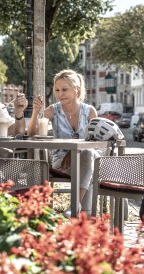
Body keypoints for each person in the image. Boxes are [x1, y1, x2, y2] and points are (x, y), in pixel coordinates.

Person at [27, 69, 99, 216]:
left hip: (86, 159)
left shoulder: (90, 112)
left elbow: (96, 142)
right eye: (57, 90)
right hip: (62, 163)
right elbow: (32, 134)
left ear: (77, 89)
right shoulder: (53, 110)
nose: (60, 94)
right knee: (89, 165)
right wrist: (36, 112)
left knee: (88, 154)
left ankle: (75, 205)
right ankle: (84, 215)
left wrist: (75, 152)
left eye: (65, 90)